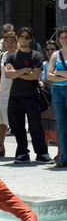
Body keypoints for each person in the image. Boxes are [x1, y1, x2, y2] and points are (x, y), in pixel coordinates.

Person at [5, 27, 54, 164]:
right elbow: (8, 74)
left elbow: (35, 76)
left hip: (32, 96)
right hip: (15, 96)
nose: (24, 40)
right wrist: (26, 70)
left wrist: (18, 72)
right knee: (17, 126)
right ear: (18, 39)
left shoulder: (36, 56)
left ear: (31, 39)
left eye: (27, 37)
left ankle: (42, 153)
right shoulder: (12, 56)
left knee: (35, 126)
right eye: (22, 37)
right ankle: (22, 153)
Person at [0, 31, 17, 157]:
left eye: (12, 41)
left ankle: (21, 148)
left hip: (16, 92)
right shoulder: (2, 55)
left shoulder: (19, 55)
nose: (10, 44)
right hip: (2, 91)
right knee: (2, 121)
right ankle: (0, 146)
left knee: (17, 121)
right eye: (7, 41)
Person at [47, 26, 67, 167]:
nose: (64, 40)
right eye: (61, 38)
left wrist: (57, 73)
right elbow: (49, 76)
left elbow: (53, 74)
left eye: (66, 37)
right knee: (61, 125)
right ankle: (64, 157)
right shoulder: (56, 55)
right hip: (58, 92)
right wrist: (63, 75)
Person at [40, 39, 60, 162]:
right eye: (48, 49)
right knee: (44, 126)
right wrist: (41, 82)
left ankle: (60, 153)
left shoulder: (60, 63)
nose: (50, 51)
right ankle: (45, 152)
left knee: (57, 126)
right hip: (45, 100)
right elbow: (39, 78)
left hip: (57, 98)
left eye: (52, 49)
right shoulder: (42, 65)